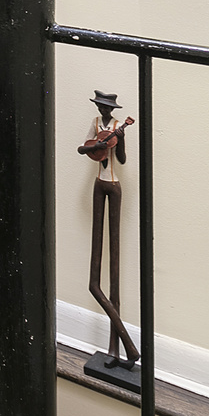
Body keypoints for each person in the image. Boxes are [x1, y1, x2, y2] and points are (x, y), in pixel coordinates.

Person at [79, 91, 140, 368]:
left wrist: (122, 142)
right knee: (94, 279)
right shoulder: (95, 123)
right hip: (98, 184)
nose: (104, 110)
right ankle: (123, 347)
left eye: (107, 106)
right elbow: (87, 148)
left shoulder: (117, 127)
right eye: (101, 106)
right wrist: (88, 147)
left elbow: (123, 161)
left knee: (114, 270)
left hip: (114, 186)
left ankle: (116, 348)